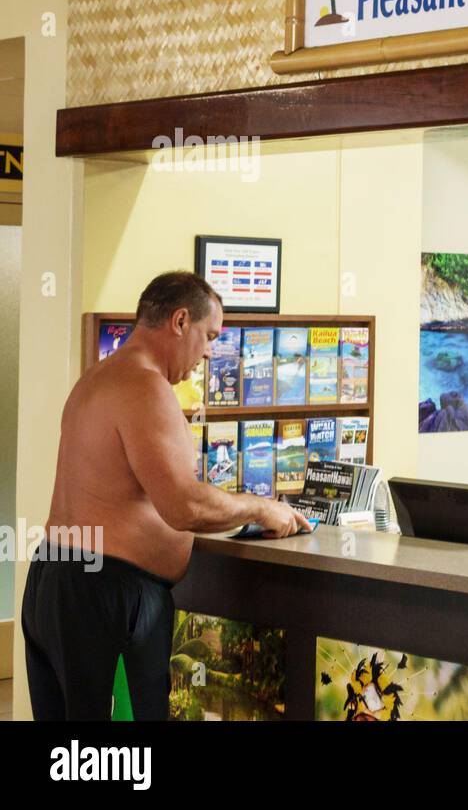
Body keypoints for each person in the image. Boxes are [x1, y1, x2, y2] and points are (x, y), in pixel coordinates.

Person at [22, 271, 310, 720]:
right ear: (179, 321)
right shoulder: (145, 386)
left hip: (55, 580)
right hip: (106, 598)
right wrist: (262, 507)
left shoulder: (97, 379)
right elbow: (184, 506)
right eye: (208, 335)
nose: (210, 352)